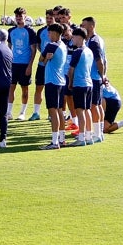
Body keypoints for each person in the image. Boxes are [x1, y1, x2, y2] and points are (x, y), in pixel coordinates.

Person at [39, 22, 69, 150]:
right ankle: (62, 139)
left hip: (52, 81)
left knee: (53, 111)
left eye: (50, 32)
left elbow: (41, 59)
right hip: (61, 81)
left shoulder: (51, 46)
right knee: (60, 111)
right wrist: (46, 60)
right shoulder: (63, 45)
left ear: (56, 33)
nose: (48, 35)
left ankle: (54, 141)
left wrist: (45, 59)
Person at [6, 8, 36, 121]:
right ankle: (9, 112)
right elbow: (9, 48)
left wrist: (30, 65)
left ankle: (22, 112)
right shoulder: (11, 31)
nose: (18, 19)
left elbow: (33, 50)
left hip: (24, 64)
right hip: (13, 64)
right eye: (17, 17)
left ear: (25, 17)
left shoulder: (30, 31)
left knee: (25, 90)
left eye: (20, 16)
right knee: (11, 88)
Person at [67, 27, 95, 146]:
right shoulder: (89, 51)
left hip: (79, 83)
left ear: (79, 37)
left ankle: (81, 138)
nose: (72, 39)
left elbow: (71, 69)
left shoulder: (78, 52)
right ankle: (89, 136)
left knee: (80, 111)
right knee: (87, 110)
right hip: (89, 83)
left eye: (73, 37)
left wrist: (70, 83)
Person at [81, 16, 107, 140]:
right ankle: (99, 133)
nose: (82, 27)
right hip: (97, 77)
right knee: (98, 105)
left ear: (91, 26)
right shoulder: (99, 39)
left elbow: (100, 61)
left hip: (93, 77)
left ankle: (97, 134)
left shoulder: (93, 42)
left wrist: (102, 76)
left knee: (93, 106)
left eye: (84, 25)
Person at [30, 8, 56, 121]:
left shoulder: (58, 31)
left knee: (52, 90)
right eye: (47, 18)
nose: (49, 20)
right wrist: (44, 54)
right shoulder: (41, 31)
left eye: (51, 18)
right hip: (42, 64)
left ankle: (52, 113)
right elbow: (39, 46)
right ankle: (36, 112)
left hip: (53, 65)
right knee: (39, 87)